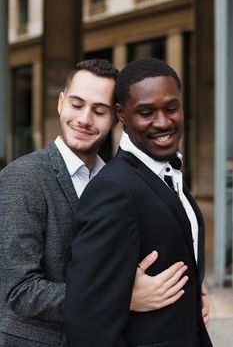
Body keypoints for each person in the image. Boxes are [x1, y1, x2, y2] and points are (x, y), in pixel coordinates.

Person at [0, 59, 193, 347]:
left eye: (99, 110)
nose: (85, 120)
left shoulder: (123, 180)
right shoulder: (22, 177)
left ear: (117, 117)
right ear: (61, 102)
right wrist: (119, 297)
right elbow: (19, 291)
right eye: (76, 105)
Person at [64, 58, 213, 347]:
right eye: (146, 112)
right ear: (121, 114)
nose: (163, 121)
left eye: (171, 108)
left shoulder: (168, 173)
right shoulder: (113, 190)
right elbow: (88, 320)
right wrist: (123, 296)